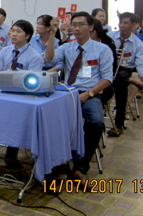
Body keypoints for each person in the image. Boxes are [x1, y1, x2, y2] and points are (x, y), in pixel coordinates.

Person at [44, 12, 113, 187]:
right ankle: (60, 159)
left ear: (91, 27)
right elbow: (48, 59)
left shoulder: (102, 49)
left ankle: (80, 167)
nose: (76, 28)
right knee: (49, 117)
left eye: (81, 24)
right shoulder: (67, 47)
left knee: (97, 122)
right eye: (74, 24)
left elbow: (107, 79)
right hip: (67, 92)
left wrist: (88, 94)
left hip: (90, 93)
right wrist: (53, 33)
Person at [0, 20, 44, 167]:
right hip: (3, 91)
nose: (14, 34)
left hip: (21, 95)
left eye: (18, 32)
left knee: (16, 115)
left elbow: (33, 83)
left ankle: (11, 152)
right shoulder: (5, 51)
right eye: (13, 31)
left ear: (27, 36)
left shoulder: (35, 56)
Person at [107, 12, 143, 136]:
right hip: (107, 68)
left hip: (124, 70)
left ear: (134, 25)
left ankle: (118, 124)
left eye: (125, 23)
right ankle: (132, 81)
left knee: (121, 84)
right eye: (120, 22)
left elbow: (141, 65)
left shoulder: (138, 44)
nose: (122, 25)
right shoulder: (109, 37)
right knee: (121, 79)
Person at [91, 19, 117, 105]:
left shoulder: (107, 46)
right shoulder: (80, 46)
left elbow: (112, 70)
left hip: (103, 82)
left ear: (93, 32)